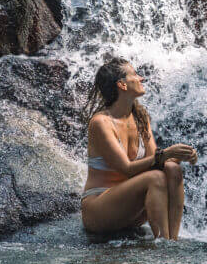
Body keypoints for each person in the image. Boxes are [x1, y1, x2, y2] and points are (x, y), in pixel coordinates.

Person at [80, 58, 197, 240]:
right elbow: (126, 169)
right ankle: (163, 243)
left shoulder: (140, 116)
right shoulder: (101, 122)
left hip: (130, 209)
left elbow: (155, 160)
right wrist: (167, 153)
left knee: (172, 169)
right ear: (122, 85)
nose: (141, 78)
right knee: (155, 178)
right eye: (134, 74)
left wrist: (182, 155)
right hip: (100, 208)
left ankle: (172, 241)